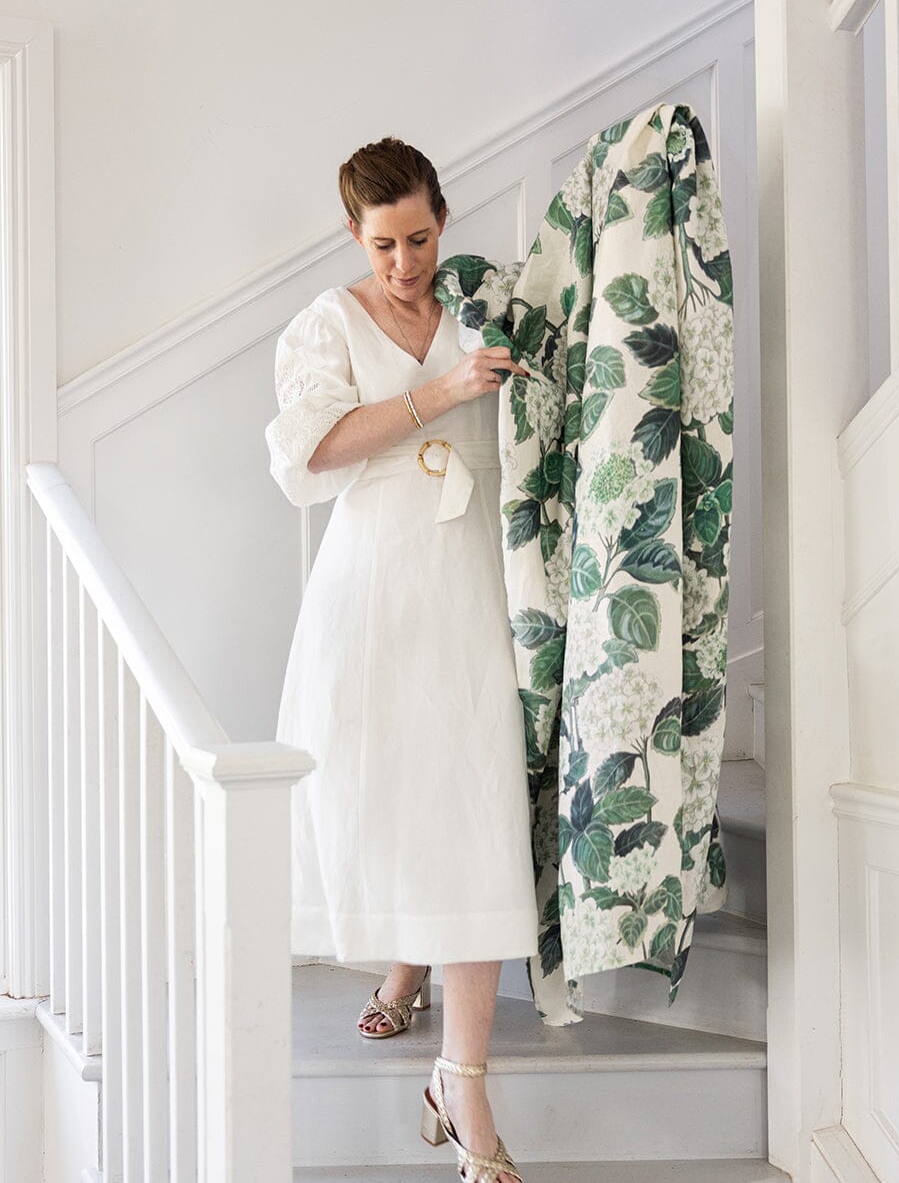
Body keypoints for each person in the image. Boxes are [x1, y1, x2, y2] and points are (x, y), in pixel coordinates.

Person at [264, 135, 536, 1183]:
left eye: (418, 237)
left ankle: (461, 1077)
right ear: (353, 234)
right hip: (372, 582)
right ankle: (409, 982)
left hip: (474, 576)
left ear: (441, 219)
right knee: (386, 797)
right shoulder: (327, 323)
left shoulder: (482, 302)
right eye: (382, 244)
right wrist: (438, 394)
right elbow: (309, 454)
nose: (403, 264)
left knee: (475, 811)